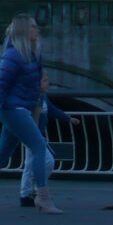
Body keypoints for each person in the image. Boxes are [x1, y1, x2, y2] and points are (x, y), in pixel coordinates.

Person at [0, 14, 63, 214]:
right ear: (24, 31)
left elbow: (35, 87)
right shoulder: (13, 55)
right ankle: (43, 198)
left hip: (21, 108)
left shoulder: (34, 53)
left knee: (2, 154)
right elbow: (0, 86)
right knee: (38, 146)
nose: (38, 30)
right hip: (11, 109)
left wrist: (35, 106)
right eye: (33, 27)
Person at [19, 71, 80, 207]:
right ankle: (32, 191)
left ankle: (27, 193)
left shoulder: (43, 97)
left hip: (38, 135)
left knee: (31, 164)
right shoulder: (32, 98)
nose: (48, 84)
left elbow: (52, 110)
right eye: (45, 81)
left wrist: (68, 118)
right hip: (32, 135)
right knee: (46, 162)